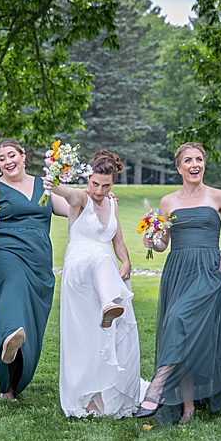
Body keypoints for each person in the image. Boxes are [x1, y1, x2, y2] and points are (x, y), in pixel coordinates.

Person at [137, 142, 221, 425]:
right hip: (178, 272)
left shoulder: (217, 196)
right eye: (188, 161)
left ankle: (157, 386)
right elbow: (164, 243)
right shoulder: (168, 202)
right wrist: (151, 242)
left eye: (199, 160)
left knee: (180, 320)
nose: (195, 165)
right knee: (186, 335)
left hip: (209, 271)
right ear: (179, 167)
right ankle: (188, 406)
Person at [43, 149, 148, 418]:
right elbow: (66, 194)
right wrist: (55, 182)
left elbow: (118, 241)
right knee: (83, 336)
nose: (99, 191)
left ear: (113, 183)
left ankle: (108, 394)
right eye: (95, 184)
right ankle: (84, 398)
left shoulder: (113, 203)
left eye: (106, 185)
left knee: (110, 333)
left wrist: (126, 262)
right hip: (80, 266)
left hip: (104, 272)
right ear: (88, 179)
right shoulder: (80, 198)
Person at [0, 138, 70, 402]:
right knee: (14, 286)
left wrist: (97, 197)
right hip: (3, 253)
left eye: (12, 155)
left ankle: (10, 389)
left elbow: (72, 208)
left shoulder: (43, 185)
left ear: (23, 156)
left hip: (38, 261)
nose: (8, 161)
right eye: (2, 158)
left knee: (31, 322)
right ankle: (7, 339)